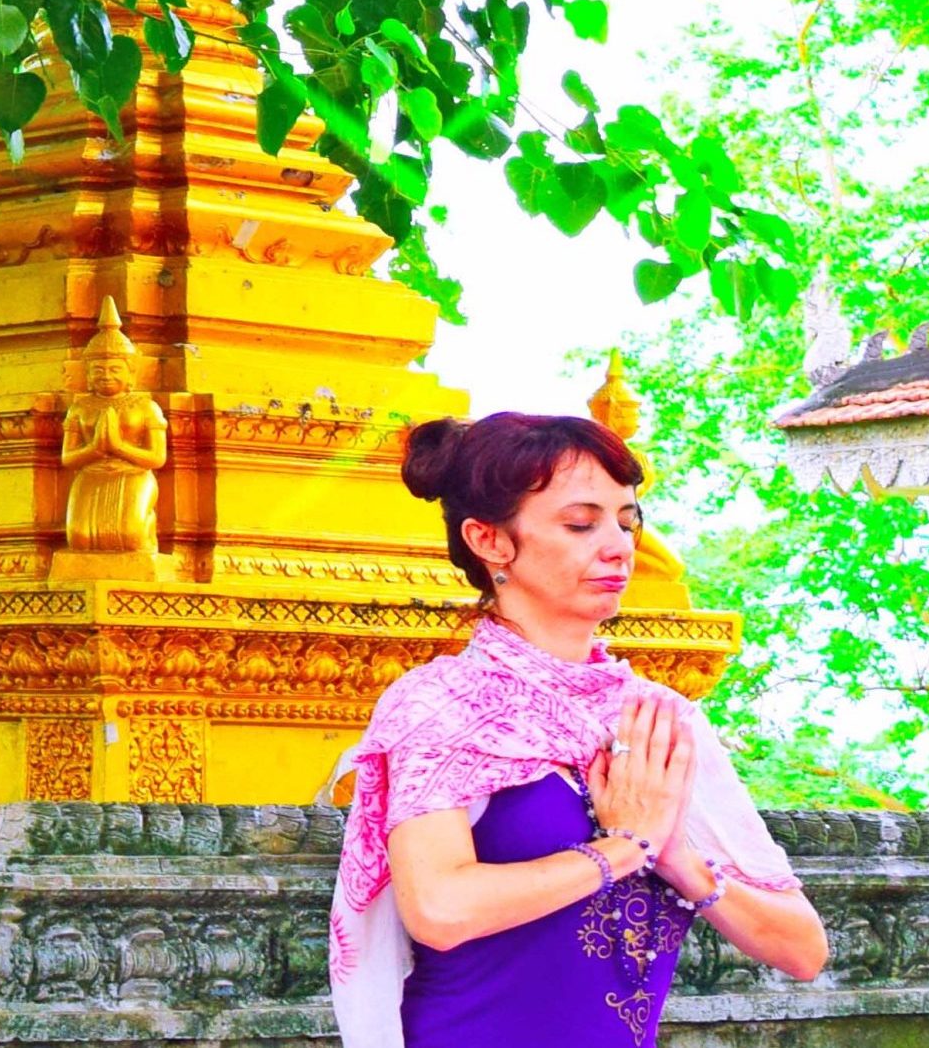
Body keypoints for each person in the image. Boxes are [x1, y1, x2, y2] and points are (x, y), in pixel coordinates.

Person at [331, 412, 828, 1047]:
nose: (619, 547)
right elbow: (439, 908)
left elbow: (801, 949)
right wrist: (624, 849)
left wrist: (677, 858)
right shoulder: (440, 704)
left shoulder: (655, 719)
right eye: (580, 524)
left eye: (626, 521)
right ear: (489, 540)